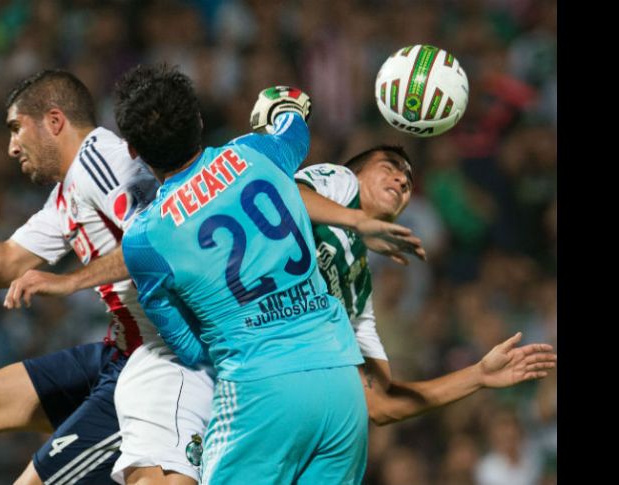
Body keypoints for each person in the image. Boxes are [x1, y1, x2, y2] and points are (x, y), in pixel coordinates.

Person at [0, 69, 213, 485]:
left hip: (159, 363)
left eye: (17, 129)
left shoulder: (103, 160)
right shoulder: (66, 192)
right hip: (120, 353)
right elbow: (4, 265)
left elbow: (161, 241)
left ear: (54, 121)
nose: (12, 146)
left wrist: (69, 281)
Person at [115, 66, 367, 484]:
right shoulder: (258, 152)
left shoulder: (146, 240)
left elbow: (190, 348)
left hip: (259, 394)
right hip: (341, 382)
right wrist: (285, 101)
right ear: (198, 120)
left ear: (133, 151)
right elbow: (294, 123)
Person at [294, 145, 557, 424]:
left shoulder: (357, 293)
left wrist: (478, 375)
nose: (400, 180)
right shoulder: (338, 182)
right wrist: (357, 222)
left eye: (406, 183)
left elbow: (381, 405)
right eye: (387, 168)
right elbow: (287, 196)